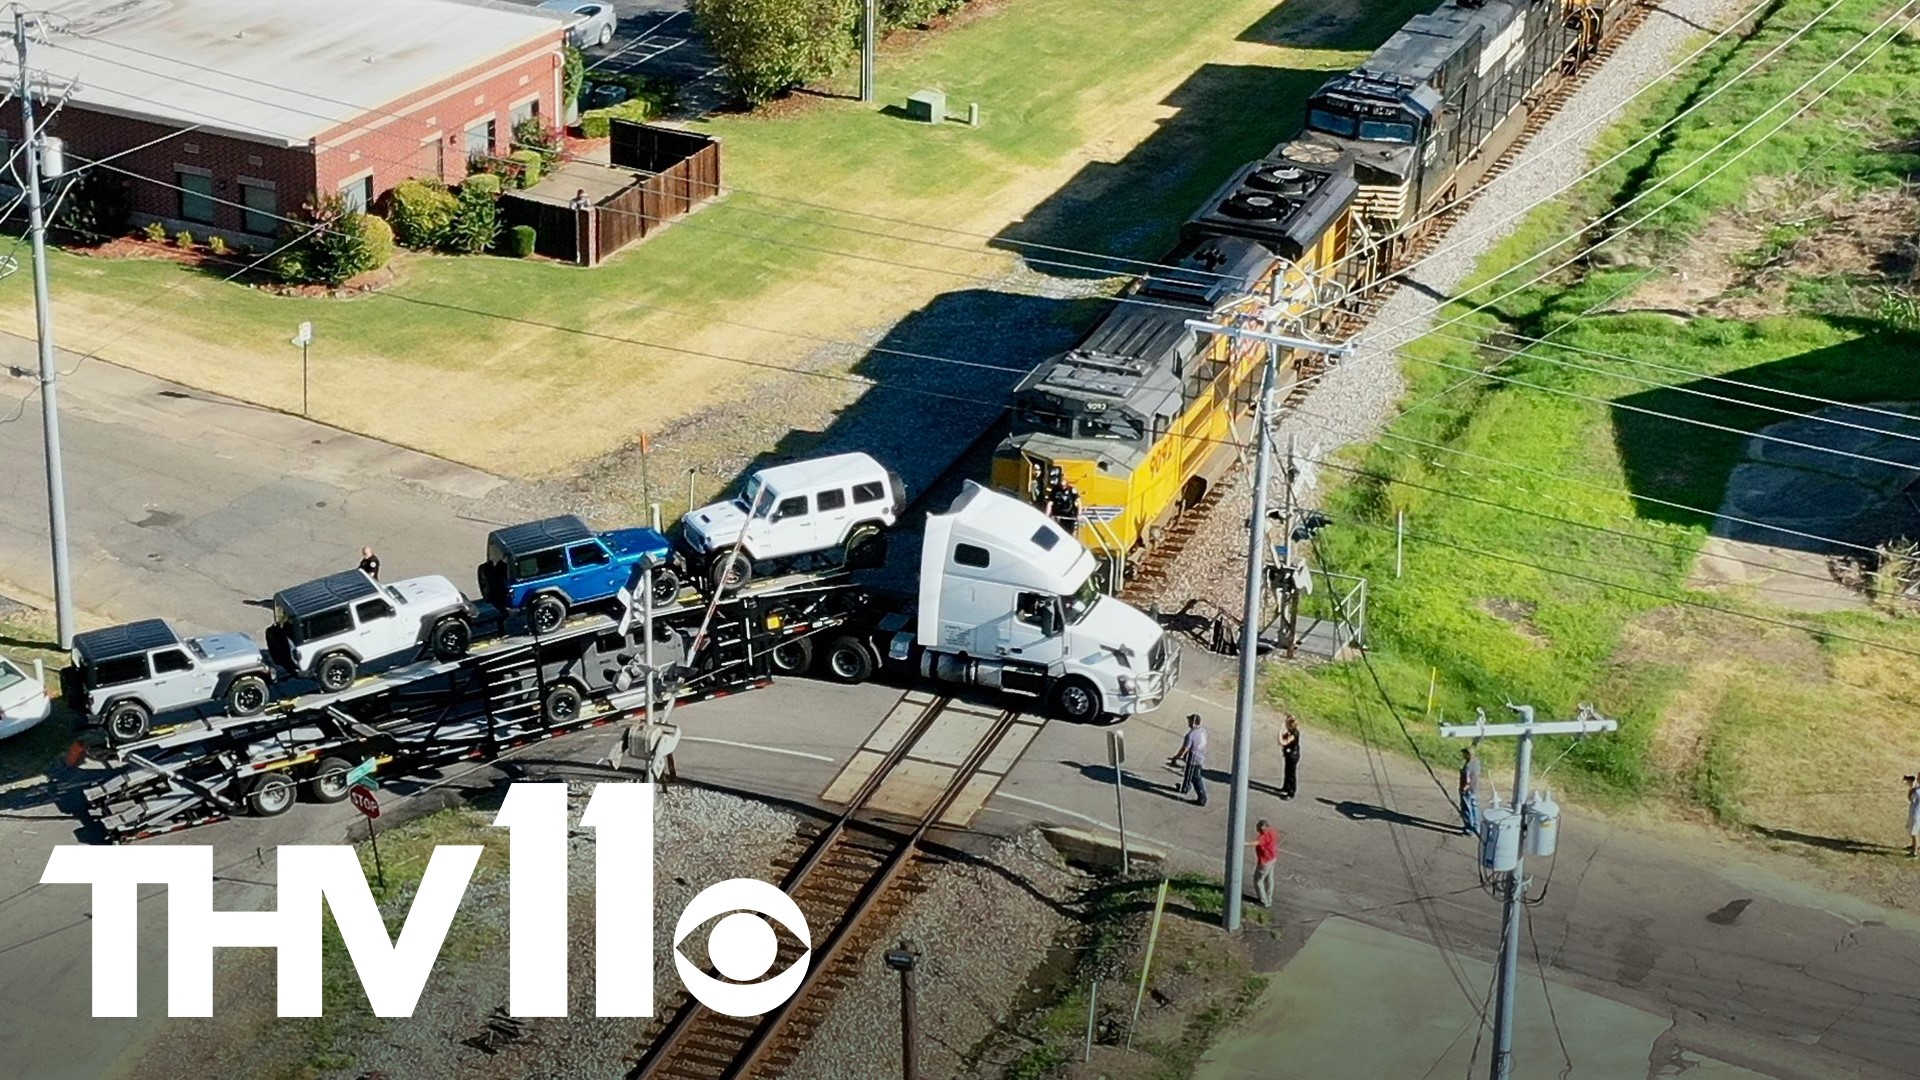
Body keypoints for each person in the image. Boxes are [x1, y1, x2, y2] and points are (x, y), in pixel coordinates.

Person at [1169, 712, 1208, 807]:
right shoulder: (1203, 731)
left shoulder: (1190, 735)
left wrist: (1176, 758)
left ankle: (1202, 798)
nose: (1188, 722)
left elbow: (1184, 749)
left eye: (1189, 720)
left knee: (1195, 778)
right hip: (1200, 756)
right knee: (1188, 773)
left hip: (1193, 759)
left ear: (1193, 722)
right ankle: (1185, 787)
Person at [1247, 819, 1281, 906]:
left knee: (1258, 880)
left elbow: (1256, 842)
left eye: (1257, 828)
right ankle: (1269, 898)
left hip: (1265, 861)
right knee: (1269, 878)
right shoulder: (1272, 831)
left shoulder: (1263, 837)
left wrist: (1245, 843)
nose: (1256, 829)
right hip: (1273, 857)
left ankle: (1263, 901)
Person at [1459, 746, 1482, 837]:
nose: (1463, 755)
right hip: (1475, 788)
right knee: (1474, 808)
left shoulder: (1468, 766)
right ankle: (1476, 828)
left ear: (1468, 755)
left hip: (1467, 790)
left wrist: (1464, 788)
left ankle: (1469, 829)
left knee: (1466, 809)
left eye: (1464, 753)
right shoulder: (1477, 762)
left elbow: (1467, 779)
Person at [1278, 715, 1301, 800]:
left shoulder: (1294, 734)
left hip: (1292, 756)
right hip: (1289, 755)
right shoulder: (1290, 731)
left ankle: (1291, 792)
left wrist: (1279, 733)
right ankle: (1285, 787)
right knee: (1287, 771)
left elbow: (1283, 742)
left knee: (1291, 774)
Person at [1907, 773, 1919, 858]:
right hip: (1916, 813)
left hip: (1916, 814)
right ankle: (1914, 846)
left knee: (1913, 832)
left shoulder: (1918, 791)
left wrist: (1911, 789)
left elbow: (1910, 798)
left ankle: (1915, 851)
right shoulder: (1917, 789)